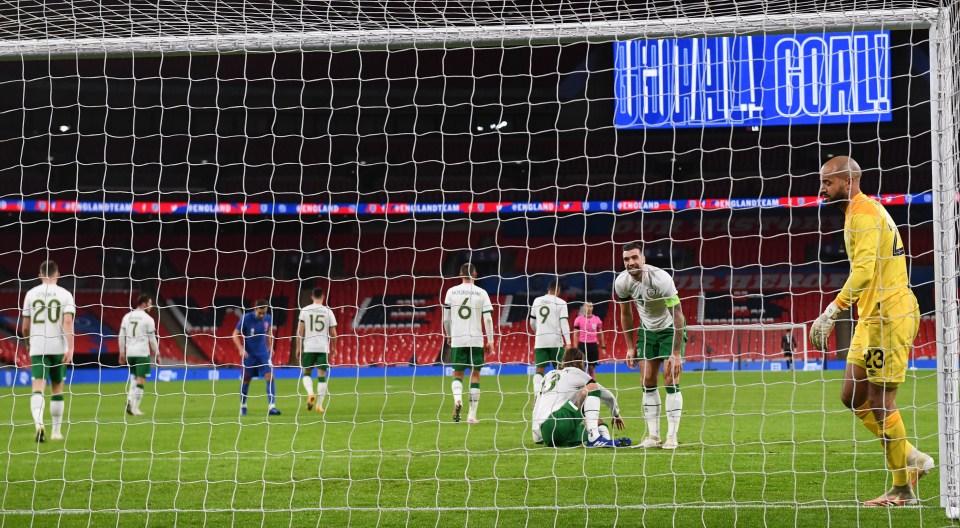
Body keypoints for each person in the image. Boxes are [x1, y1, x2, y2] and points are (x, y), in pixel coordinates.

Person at [810, 156, 934, 506]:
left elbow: (863, 271)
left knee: (881, 401)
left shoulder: (864, 213)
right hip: (871, 315)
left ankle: (902, 488)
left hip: (888, 313)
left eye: (828, 182)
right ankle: (913, 456)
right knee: (852, 396)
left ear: (848, 182)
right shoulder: (859, 211)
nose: (822, 188)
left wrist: (833, 310)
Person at [616, 242, 686, 450]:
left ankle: (671, 436)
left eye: (634, 257)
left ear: (643, 259)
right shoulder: (622, 283)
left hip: (669, 328)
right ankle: (653, 436)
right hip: (646, 331)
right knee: (647, 380)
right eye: (627, 259)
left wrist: (675, 352)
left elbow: (678, 315)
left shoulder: (661, 278)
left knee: (670, 377)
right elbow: (626, 314)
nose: (631, 262)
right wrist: (630, 346)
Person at [22, 260, 75, 442]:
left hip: (38, 347)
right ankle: (56, 432)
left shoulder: (30, 294)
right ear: (58, 273)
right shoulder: (65, 294)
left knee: (38, 387)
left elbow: (25, 326)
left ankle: (38, 423)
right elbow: (67, 322)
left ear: (39, 274)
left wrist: (28, 343)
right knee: (57, 389)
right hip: (58, 347)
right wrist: (71, 346)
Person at [533, 347, 629, 447]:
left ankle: (604, 440)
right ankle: (594, 438)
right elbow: (606, 394)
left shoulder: (548, 375)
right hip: (558, 420)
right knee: (592, 386)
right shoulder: (575, 372)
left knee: (598, 421)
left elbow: (536, 405)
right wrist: (616, 414)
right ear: (581, 361)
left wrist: (537, 437)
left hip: (547, 434)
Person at [442, 263, 494, 424]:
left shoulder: (451, 292)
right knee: (475, 375)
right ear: (475, 274)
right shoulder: (482, 292)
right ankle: (471, 415)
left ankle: (458, 400)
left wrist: (449, 335)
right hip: (476, 340)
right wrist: (490, 340)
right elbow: (488, 318)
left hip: (458, 339)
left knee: (457, 374)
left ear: (460, 274)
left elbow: (445, 318)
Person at [232, 299, 281, 416]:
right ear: (255, 309)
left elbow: (268, 332)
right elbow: (234, 334)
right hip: (249, 355)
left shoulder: (268, 318)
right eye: (260, 313)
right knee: (246, 380)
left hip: (263, 353)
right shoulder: (246, 318)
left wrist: (270, 346)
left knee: (270, 376)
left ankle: (272, 407)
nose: (262, 315)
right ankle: (243, 405)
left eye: (264, 313)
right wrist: (240, 348)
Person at [296, 288, 338, 413]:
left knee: (306, 373)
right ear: (323, 296)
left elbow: (300, 331)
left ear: (312, 296)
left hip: (309, 346)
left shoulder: (305, 310)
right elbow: (333, 332)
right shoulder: (328, 311)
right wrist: (334, 348)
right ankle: (319, 405)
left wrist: (298, 347)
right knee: (322, 376)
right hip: (323, 347)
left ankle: (310, 393)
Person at [118, 293, 159, 416]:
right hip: (142, 352)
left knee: (135, 378)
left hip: (130, 353)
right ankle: (134, 407)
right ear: (145, 303)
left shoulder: (127, 316)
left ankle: (130, 401)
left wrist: (121, 352)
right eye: (150, 303)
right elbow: (152, 339)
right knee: (141, 379)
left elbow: (121, 336)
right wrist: (157, 354)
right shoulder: (148, 319)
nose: (151, 306)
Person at [529, 281, 571, 400]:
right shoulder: (561, 302)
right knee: (561, 370)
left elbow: (532, 322)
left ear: (548, 289)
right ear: (558, 290)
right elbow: (564, 323)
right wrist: (568, 342)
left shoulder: (537, 300)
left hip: (540, 341)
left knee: (539, 370)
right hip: (555, 341)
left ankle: (537, 396)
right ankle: (561, 397)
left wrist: (539, 332)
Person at [572, 301, 606, 377]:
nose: (589, 308)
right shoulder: (578, 319)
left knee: (591, 367)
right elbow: (576, 335)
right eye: (587, 306)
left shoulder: (597, 319)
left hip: (593, 345)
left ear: (593, 308)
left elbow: (601, 334)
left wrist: (603, 347)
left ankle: (592, 383)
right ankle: (581, 383)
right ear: (584, 307)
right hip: (582, 345)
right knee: (581, 367)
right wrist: (575, 348)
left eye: (591, 306)